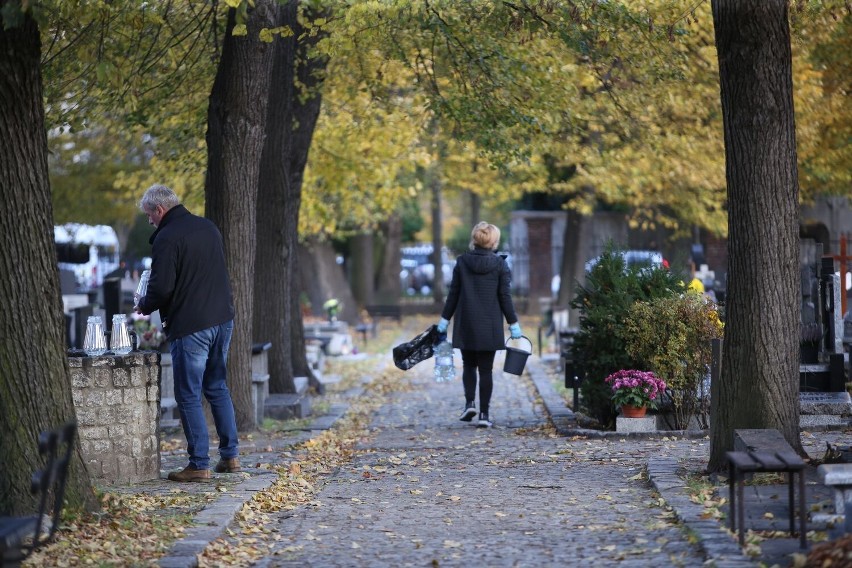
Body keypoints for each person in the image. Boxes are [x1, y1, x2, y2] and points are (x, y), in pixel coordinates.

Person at [136, 184, 240, 482]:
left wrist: (145, 304)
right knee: (217, 387)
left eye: (149, 215)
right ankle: (230, 457)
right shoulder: (208, 228)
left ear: (160, 210)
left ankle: (199, 464)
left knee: (188, 394)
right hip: (222, 319)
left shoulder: (167, 238)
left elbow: (163, 286)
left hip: (192, 325)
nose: (149, 222)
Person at [436, 222, 522, 428]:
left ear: (475, 239)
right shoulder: (500, 265)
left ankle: (469, 403)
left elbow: (453, 294)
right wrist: (513, 323)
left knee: (468, 365)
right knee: (486, 370)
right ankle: (484, 414)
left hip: (466, 323)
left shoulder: (462, 262)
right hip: (490, 325)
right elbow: (504, 297)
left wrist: (444, 319)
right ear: (493, 241)